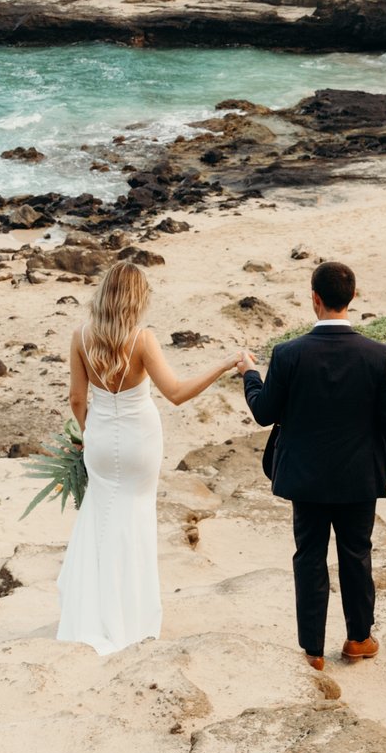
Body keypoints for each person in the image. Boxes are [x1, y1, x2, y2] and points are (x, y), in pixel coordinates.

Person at [55, 260, 247, 654]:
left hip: (102, 440)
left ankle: (93, 610)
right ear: (136, 299)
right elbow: (175, 393)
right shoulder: (142, 339)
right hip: (140, 442)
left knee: (100, 518)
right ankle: (130, 614)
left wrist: (86, 433)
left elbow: (77, 399)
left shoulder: (80, 336)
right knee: (134, 521)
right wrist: (225, 363)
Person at [238, 260, 386, 669]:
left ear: (314, 298)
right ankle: (357, 640)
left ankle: (313, 652)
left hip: (305, 477)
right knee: (356, 554)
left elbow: (264, 413)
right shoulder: (378, 355)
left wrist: (250, 374)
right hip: (358, 475)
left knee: (309, 557)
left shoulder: (287, 354)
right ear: (352, 297)